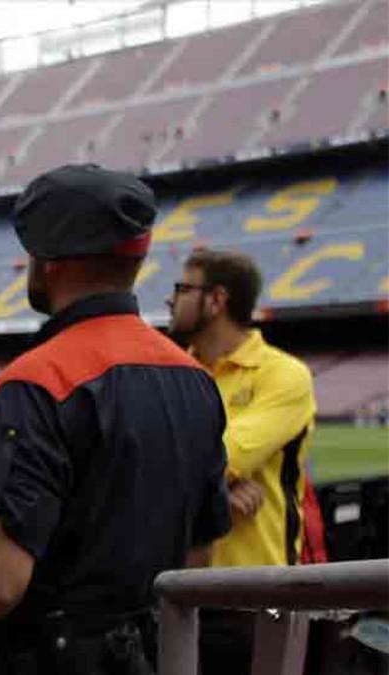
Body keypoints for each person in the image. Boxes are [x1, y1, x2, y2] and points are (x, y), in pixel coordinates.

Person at [0, 164, 232, 675]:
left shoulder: (36, 382)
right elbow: (198, 555)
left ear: (49, 259)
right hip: (156, 653)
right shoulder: (195, 379)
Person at [166, 247, 317, 674]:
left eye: (182, 288)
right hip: (176, 586)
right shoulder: (175, 371)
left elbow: (227, 453)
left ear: (217, 300)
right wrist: (218, 488)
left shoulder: (283, 375)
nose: (171, 300)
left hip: (255, 596)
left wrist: (211, 474)